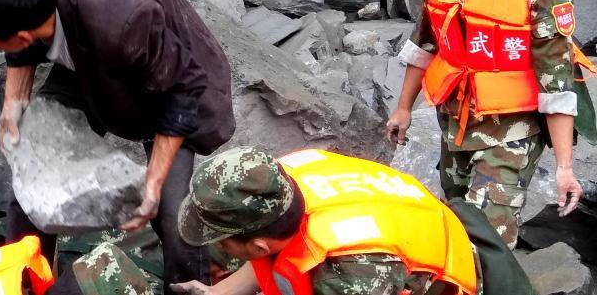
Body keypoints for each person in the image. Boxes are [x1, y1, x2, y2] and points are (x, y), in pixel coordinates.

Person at [0, 0, 236, 289]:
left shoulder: (122, 19)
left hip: (169, 81)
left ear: (22, 35)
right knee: (31, 179)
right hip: (84, 62)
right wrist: (14, 104)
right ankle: (24, 279)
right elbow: (18, 46)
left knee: (172, 212)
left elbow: (182, 91)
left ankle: (191, 285)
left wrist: (154, 181)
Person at [385, 0, 596, 248]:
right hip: (455, 120)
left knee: (488, 240)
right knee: (456, 218)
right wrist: (402, 109)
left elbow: (557, 82)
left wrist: (565, 167)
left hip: (511, 129)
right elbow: (427, 41)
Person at [170, 146, 536, 295]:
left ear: (261, 246)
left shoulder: (352, 271)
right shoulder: (287, 173)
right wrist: (219, 292)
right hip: (415, 221)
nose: (215, 244)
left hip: (457, 278)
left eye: (221, 236)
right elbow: (269, 249)